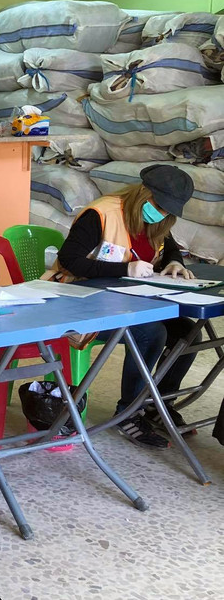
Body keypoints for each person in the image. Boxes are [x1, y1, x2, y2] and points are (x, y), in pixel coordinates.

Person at [53, 164, 200, 449]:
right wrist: (124, 269)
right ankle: (127, 413)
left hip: (129, 301)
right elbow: (70, 260)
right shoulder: (101, 214)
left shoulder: (158, 221)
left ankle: (160, 404)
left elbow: (168, 247)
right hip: (81, 301)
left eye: (169, 210)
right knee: (151, 332)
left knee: (187, 332)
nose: (162, 213)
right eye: (159, 205)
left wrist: (175, 262)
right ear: (143, 193)